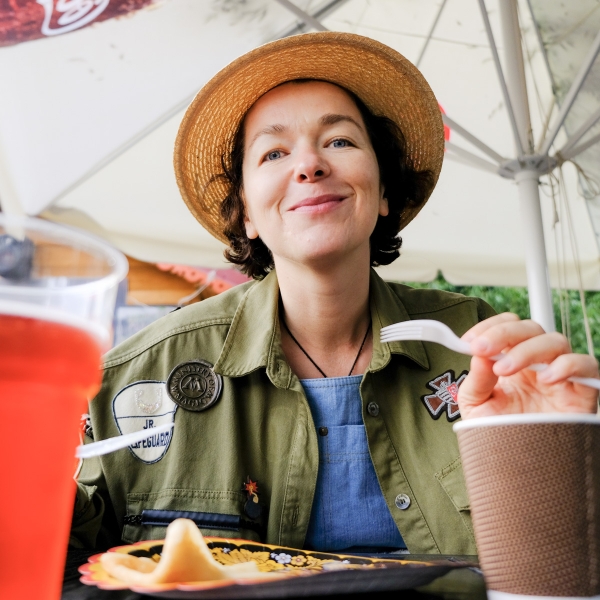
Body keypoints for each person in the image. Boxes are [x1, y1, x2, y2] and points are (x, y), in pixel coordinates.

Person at [70, 32, 598, 556]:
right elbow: (54, 562)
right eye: (274, 152)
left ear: (385, 189)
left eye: (340, 141)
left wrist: (558, 451)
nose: (309, 165)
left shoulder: (482, 353)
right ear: (247, 213)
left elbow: (561, 569)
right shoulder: (137, 376)